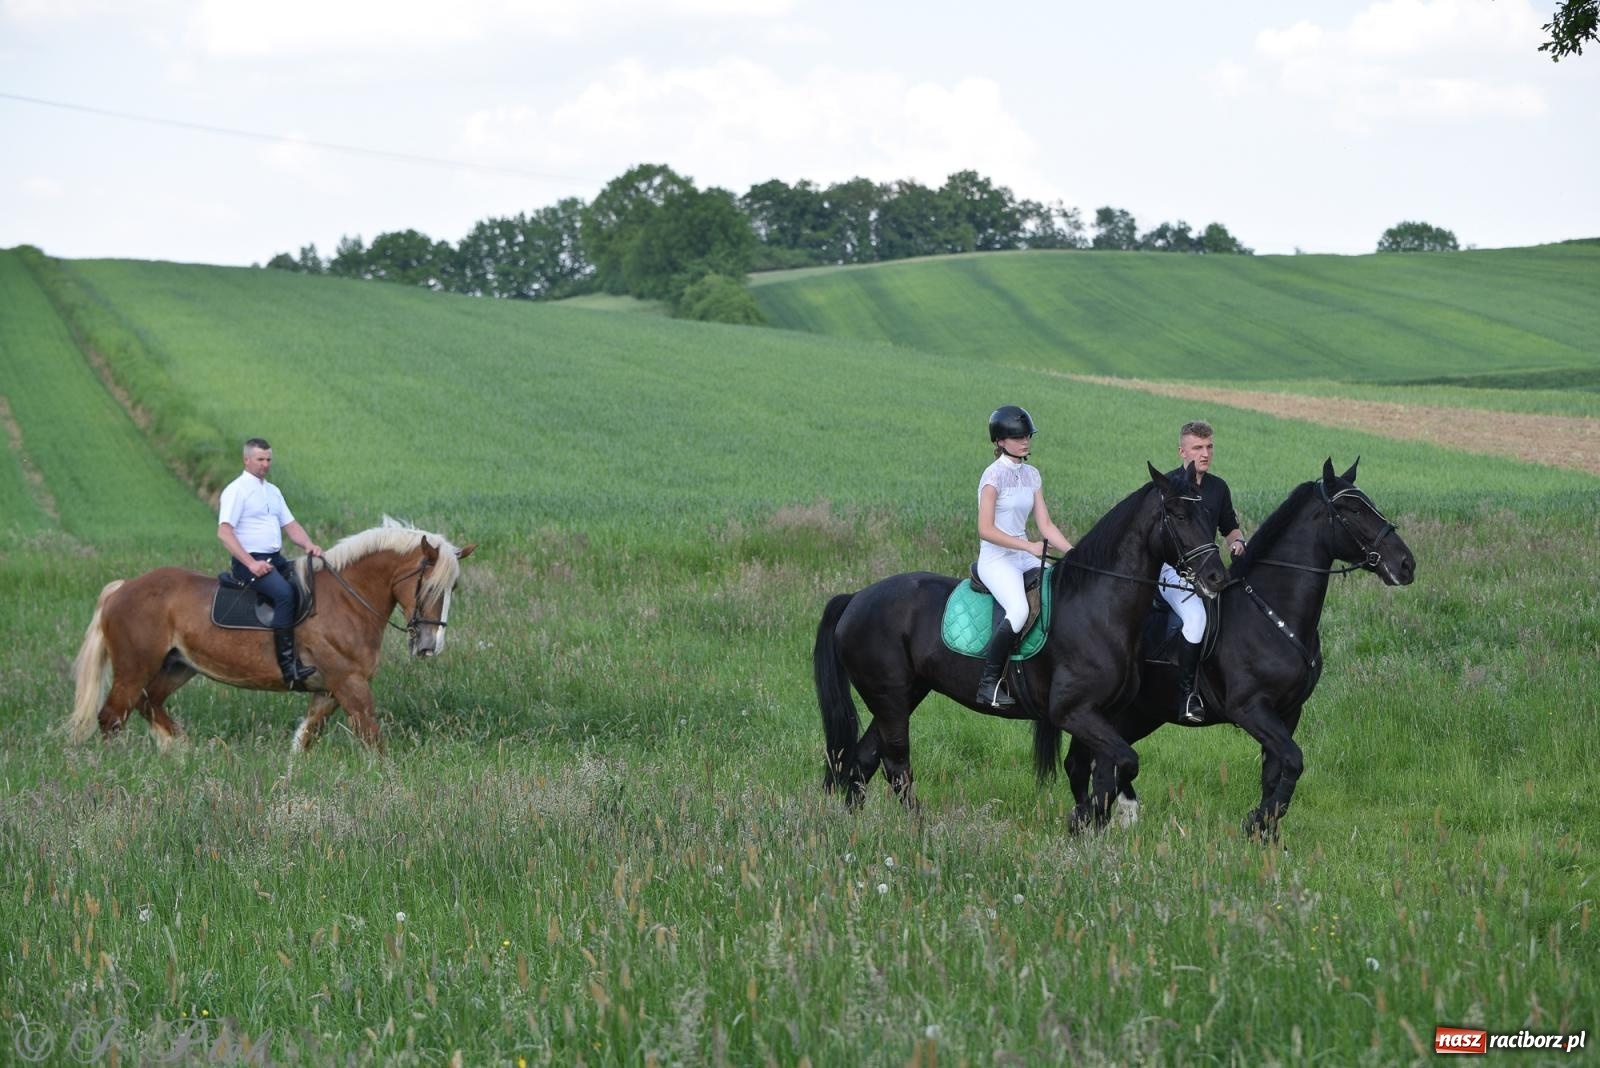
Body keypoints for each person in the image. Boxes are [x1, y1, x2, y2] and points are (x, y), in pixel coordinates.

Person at [975, 405, 1073, 708]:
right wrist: (1029, 547)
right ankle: (988, 683)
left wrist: (1074, 553)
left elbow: (1046, 524)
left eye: (1027, 436)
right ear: (1000, 441)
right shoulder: (992, 476)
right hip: (996, 558)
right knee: (1018, 610)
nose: (1025, 441)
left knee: (1060, 588)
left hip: (1023, 554)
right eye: (1018, 437)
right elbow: (985, 529)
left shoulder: (1032, 474)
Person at [217, 437, 324, 690]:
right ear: (246, 460)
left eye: (268, 459)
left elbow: (291, 525)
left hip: (275, 559)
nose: (265, 464)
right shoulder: (236, 490)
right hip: (248, 563)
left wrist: (308, 545)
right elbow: (224, 532)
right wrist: (251, 564)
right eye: (260, 459)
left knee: (309, 584)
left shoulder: (273, 491)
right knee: (285, 594)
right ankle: (288, 668)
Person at [1162, 420, 1247, 723]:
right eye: (1198, 447)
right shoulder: (1167, 486)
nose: (1205, 453)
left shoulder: (1218, 488)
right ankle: (1187, 695)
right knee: (1196, 618)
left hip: (1206, 570)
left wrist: (1238, 542)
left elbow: (1230, 528)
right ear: (1182, 451)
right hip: (1170, 570)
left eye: (1209, 446)